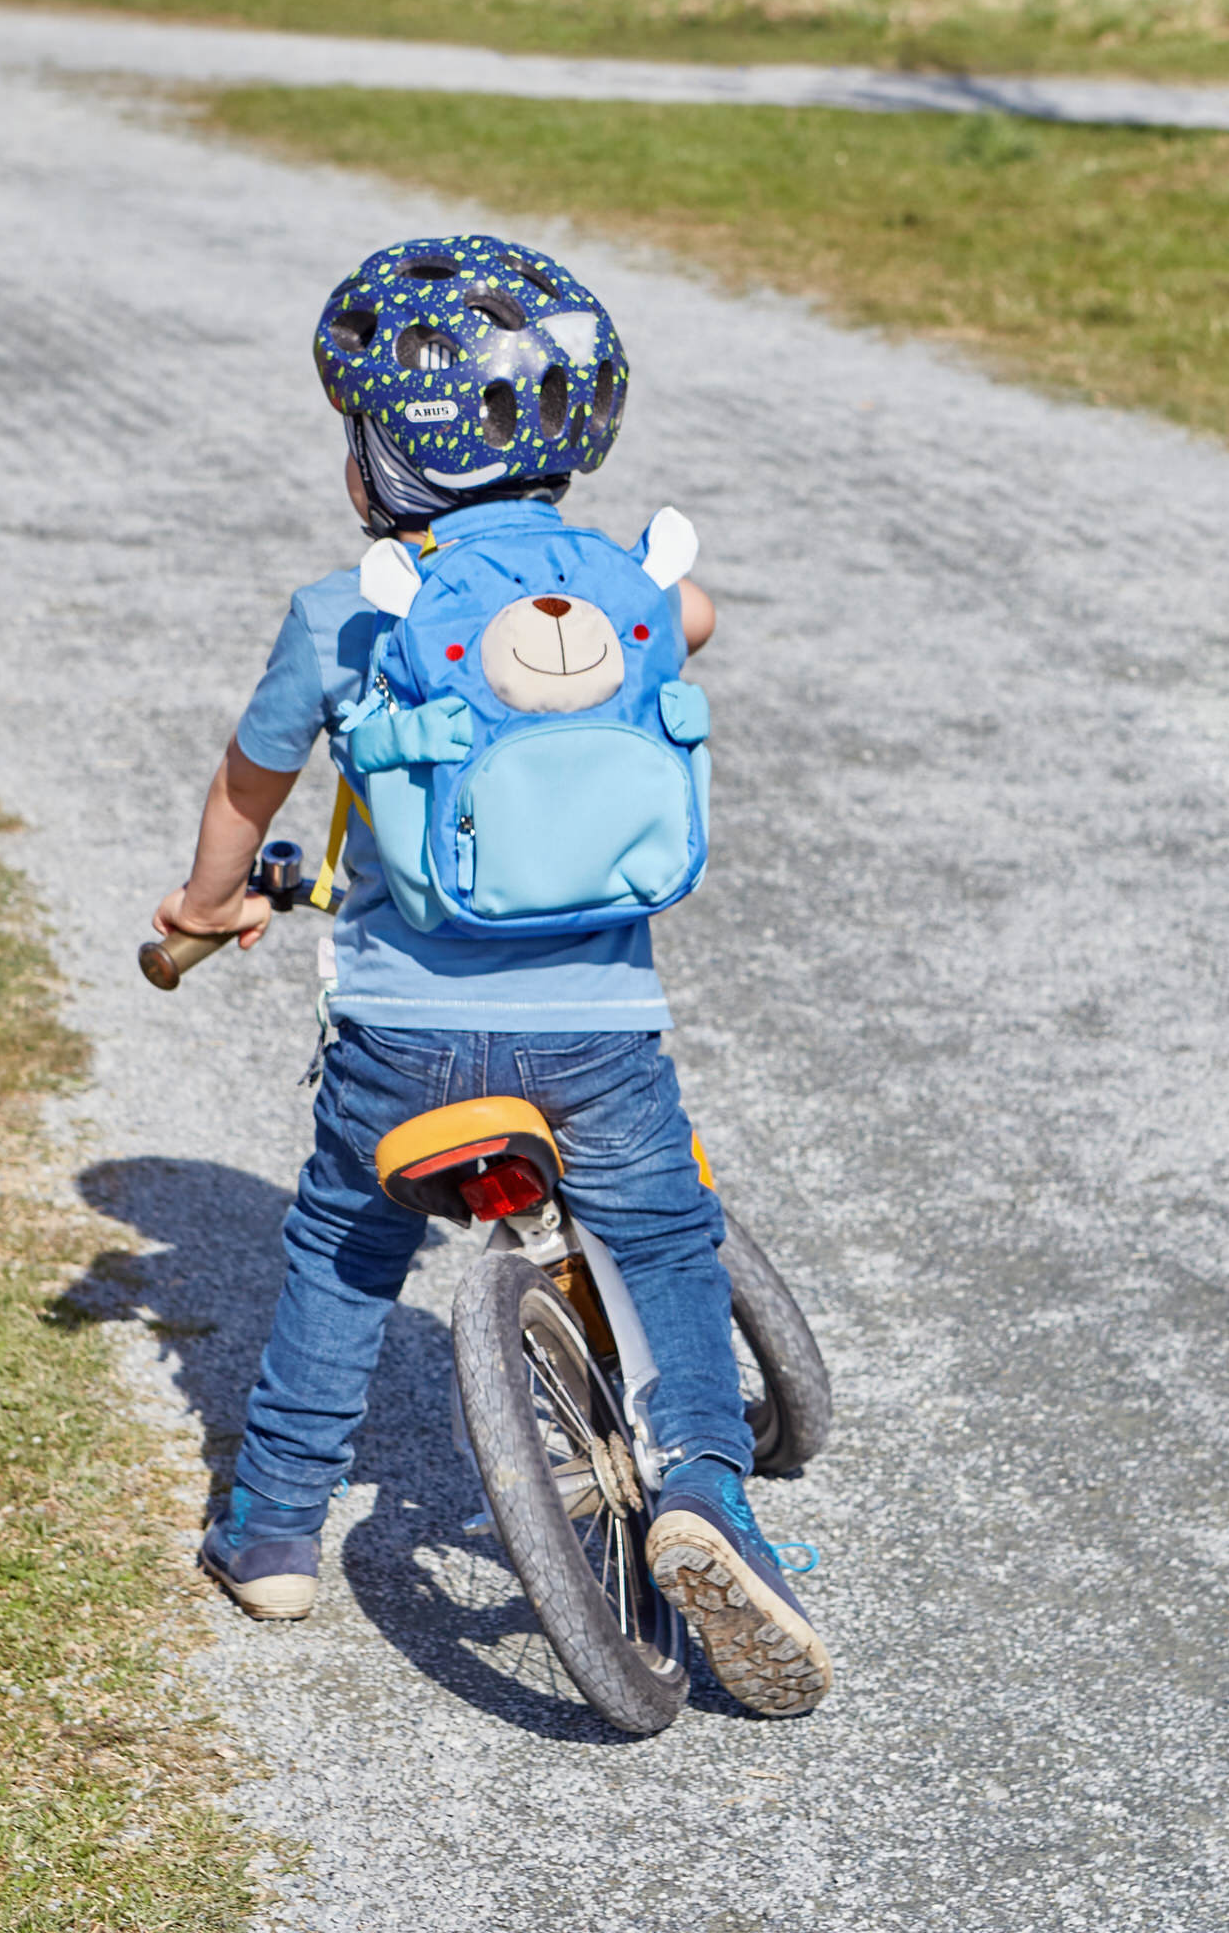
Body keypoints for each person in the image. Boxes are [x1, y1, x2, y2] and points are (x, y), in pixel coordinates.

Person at [154, 235, 831, 1717]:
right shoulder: (642, 596)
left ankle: (270, 1537)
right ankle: (712, 1495)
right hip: (598, 1033)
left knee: (341, 1251)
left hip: (406, 1031)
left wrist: (206, 909)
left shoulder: (346, 614)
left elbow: (249, 785)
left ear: (377, 461)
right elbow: (698, 625)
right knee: (657, 1241)